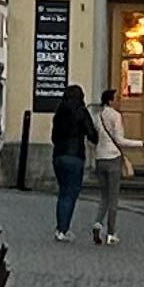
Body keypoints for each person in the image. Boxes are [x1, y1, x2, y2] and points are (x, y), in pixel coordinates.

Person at [48, 81, 97, 237]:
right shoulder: (81, 112)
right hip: (75, 155)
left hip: (58, 155)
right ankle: (63, 229)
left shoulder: (59, 113)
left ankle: (60, 228)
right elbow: (92, 134)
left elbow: (54, 136)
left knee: (63, 192)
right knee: (71, 193)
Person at [89, 93, 134, 243]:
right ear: (110, 101)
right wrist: (140, 143)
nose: (119, 101)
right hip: (113, 158)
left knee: (104, 196)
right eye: (117, 99)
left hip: (100, 158)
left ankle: (97, 222)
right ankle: (111, 233)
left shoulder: (98, 115)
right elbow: (120, 139)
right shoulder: (116, 116)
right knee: (113, 198)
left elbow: (94, 137)